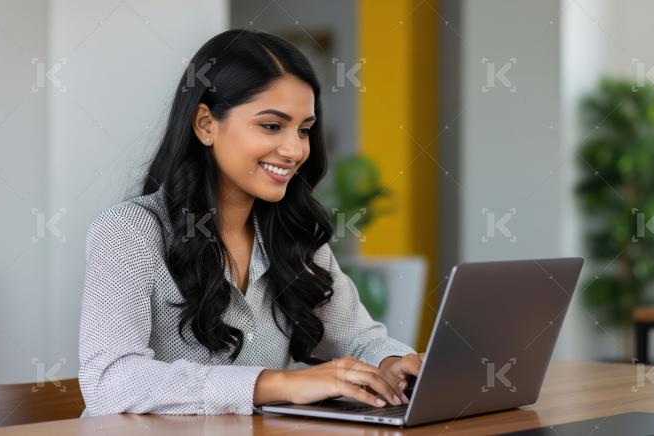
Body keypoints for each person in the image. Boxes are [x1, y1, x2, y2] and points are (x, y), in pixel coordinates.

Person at [78, 29, 423, 417]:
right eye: (272, 126)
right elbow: (109, 381)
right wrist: (276, 384)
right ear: (206, 124)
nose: (295, 150)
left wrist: (391, 363)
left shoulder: (296, 237)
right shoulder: (129, 231)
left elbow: (358, 341)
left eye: (304, 129)